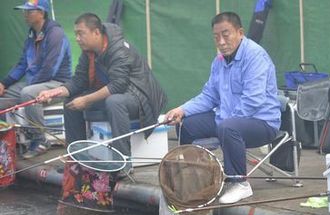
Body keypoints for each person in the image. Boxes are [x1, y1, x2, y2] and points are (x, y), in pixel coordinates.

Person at [164, 12, 281, 204]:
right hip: (227, 120)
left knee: (228, 127)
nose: (221, 41)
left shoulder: (255, 56)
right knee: (187, 124)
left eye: (226, 34)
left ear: (240, 32)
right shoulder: (219, 61)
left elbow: (253, 101)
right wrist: (182, 109)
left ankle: (240, 183)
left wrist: (224, 124)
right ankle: (192, 175)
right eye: (216, 37)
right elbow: (209, 96)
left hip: (262, 123)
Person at [38, 13, 167, 166]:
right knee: (72, 103)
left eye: (81, 34)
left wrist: (86, 100)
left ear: (96, 33)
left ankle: (123, 163)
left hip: (140, 96)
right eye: (76, 34)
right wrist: (55, 92)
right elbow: (79, 81)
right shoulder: (88, 52)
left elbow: (118, 85)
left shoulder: (119, 50)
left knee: (114, 102)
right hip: (118, 93)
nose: (77, 38)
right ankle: (78, 159)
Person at [0, 0, 71, 159]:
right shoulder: (32, 34)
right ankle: (7, 139)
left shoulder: (56, 34)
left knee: (28, 92)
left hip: (58, 83)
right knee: (5, 94)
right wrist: (4, 83)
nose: (25, 14)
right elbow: (22, 65)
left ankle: (39, 139)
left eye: (29, 11)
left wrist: (30, 86)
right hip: (36, 82)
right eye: (24, 11)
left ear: (41, 13)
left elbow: (50, 69)